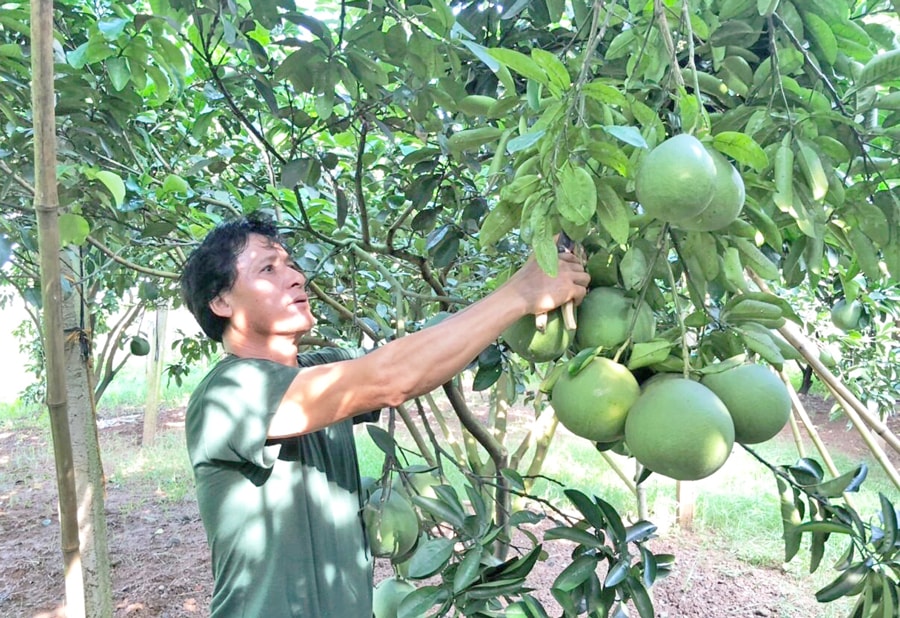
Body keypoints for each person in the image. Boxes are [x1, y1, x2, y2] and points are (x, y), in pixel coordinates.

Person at [179, 214, 589, 617]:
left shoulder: (320, 369)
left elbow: (419, 357)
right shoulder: (229, 393)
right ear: (221, 302)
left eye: (291, 264)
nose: (297, 277)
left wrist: (547, 258)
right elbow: (391, 377)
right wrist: (520, 293)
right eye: (268, 269)